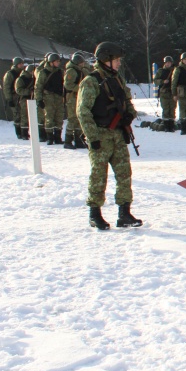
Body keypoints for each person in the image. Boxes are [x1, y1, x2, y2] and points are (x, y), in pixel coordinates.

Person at [77, 41, 142, 230]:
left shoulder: (117, 79)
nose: (119, 63)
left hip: (118, 134)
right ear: (106, 59)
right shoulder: (91, 81)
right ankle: (95, 214)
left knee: (124, 173)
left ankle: (124, 213)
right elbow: (83, 112)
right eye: (117, 60)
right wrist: (93, 137)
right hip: (101, 135)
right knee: (99, 175)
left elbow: (126, 100)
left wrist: (130, 114)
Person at [34, 52, 66, 145]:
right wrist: (39, 99)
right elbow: (38, 87)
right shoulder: (43, 72)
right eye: (56, 61)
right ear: (51, 62)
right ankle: (49, 137)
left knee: (59, 117)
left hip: (59, 98)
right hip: (48, 98)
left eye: (59, 61)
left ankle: (57, 137)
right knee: (49, 117)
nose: (58, 63)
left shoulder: (60, 71)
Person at [63, 53, 89, 149]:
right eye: (81, 63)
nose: (83, 64)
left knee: (79, 118)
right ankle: (68, 141)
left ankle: (78, 140)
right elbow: (68, 85)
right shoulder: (71, 71)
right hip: (72, 97)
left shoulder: (80, 70)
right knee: (72, 119)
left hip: (78, 96)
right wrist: (80, 88)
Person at [170, 52, 186, 134]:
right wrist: (174, 94)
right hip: (181, 90)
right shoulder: (178, 69)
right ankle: (183, 128)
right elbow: (174, 82)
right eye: (185, 59)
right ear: (182, 60)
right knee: (182, 108)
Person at [2, 58, 25, 139]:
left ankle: (24, 132)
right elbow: (6, 87)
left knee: (24, 115)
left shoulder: (23, 73)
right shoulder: (10, 74)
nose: (22, 65)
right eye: (20, 64)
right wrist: (9, 99)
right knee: (17, 115)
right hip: (14, 97)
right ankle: (18, 133)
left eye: (22, 63)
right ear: (16, 64)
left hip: (22, 97)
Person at [13, 60, 36, 140]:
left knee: (30, 117)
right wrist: (29, 92)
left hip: (31, 99)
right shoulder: (21, 79)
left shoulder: (33, 79)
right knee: (24, 116)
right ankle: (24, 133)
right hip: (24, 99)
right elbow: (18, 90)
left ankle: (27, 132)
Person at [152, 55, 176, 131]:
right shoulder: (161, 71)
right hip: (164, 92)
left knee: (172, 109)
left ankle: (171, 126)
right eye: (167, 62)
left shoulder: (174, 71)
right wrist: (162, 81)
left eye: (169, 62)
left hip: (172, 92)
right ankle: (166, 126)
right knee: (165, 109)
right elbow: (155, 81)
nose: (168, 64)